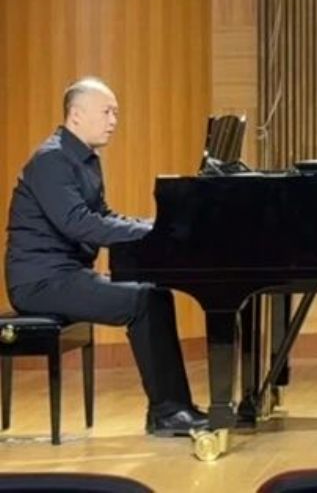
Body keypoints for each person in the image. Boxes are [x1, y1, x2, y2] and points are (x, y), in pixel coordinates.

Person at [4, 77, 209, 436]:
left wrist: (152, 225)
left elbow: (104, 216)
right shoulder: (52, 160)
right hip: (40, 282)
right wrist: (152, 232)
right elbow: (79, 224)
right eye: (107, 112)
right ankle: (167, 412)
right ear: (76, 115)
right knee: (145, 300)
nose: (114, 120)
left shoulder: (83, 159)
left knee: (155, 293)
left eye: (116, 112)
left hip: (66, 274)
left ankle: (172, 408)